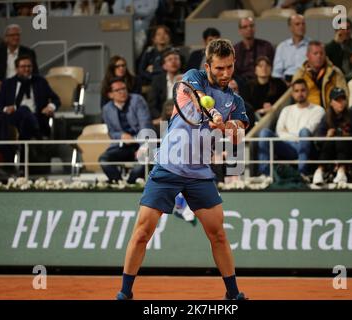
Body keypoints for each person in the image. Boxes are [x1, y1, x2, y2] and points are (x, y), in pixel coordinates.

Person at [117, 39, 249, 300]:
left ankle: (233, 295)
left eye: (229, 67)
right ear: (208, 65)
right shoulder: (192, 76)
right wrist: (213, 114)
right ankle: (124, 293)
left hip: (200, 173)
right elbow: (197, 97)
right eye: (219, 68)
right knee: (143, 231)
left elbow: (239, 135)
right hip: (169, 166)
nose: (225, 74)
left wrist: (224, 126)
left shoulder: (235, 99)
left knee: (218, 235)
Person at [257, 79, 325, 176]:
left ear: (308, 91)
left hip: (308, 147)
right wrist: (295, 137)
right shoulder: (286, 110)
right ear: (292, 94)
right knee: (264, 133)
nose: (300, 93)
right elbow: (279, 131)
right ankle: (265, 174)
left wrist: (290, 134)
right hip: (287, 146)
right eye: (296, 91)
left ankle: (302, 173)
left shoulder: (318, 110)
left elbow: (308, 131)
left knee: (304, 132)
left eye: (303, 90)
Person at [99, 77, 152, 183]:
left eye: (124, 88)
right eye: (118, 90)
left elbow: (145, 125)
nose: (122, 92)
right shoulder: (106, 109)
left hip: (141, 144)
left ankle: (130, 184)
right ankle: (119, 183)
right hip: (122, 146)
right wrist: (121, 136)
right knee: (104, 160)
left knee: (140, 165)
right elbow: (111, 132)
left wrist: (143, 146)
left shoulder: (137, 100)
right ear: (110, 95)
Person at [312, 87, 352, 185]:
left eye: (343, 99)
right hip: (330, 151)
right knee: (331, 139)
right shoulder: (326, 117)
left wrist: (348, 136)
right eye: (337, 100)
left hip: (351, 149)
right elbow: (318, 139)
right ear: (331, 103)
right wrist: (327, 136)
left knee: (340, 137)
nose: (341, 102)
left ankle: (341, 170)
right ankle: (319, 170)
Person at [0, 55, 60, 140]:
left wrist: (50, 107)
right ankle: (37, 136)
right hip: (14, 118)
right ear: (16, 68)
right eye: (23, 67)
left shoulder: (40, 81)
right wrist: (6, 109)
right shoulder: (8, 84)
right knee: (23, 109)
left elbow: (56, 99)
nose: (27, 69)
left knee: (25, 113)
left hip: (38, 117)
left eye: (29, 66)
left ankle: (27, 143)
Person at [292, 40, 347, 109]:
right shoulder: (300, 74)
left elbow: (345, 95)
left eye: (321, 53)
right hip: (308, 113)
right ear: (307, 55)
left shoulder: (335, 72)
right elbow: (295, 98)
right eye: (315, 53)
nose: (319, 56)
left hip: (332, 115)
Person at [147, 48, 182, 129]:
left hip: (182, 117)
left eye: (176, 59)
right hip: (163, 118)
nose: (173, 61)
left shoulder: (187, 78)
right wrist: (161, 117)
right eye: (170, 59)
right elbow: (152, 104)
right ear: (164, 66)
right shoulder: (158, 81)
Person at [234, 17, 275, 82]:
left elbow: (272, 67)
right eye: (245, 27)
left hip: (263, 81)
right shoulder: (235, 49)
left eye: (251, 26)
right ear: (240, 31)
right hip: (241, 83)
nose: (249, 29)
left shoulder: (266, 46)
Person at [272, 14, 310, 84]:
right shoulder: (282, 47)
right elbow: (276, 72)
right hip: (285, 82)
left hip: (306, 81)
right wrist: (284, 84)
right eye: (297, 24)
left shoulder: (311, 46)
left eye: (303, 24)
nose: (301, 26)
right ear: (290, 27)